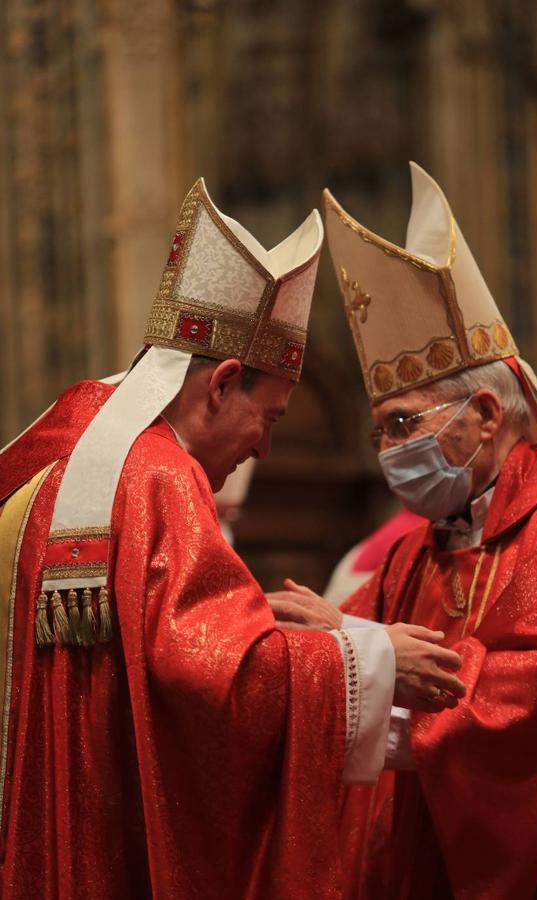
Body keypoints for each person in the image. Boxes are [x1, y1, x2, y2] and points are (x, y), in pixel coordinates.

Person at [0, 177, 466, 899]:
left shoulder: (57, 442)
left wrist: (270, 634)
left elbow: (147, 661)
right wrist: (369, 656)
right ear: (220, 385)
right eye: (271, 418)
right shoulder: (157, 476)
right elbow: (213, 682)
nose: (265, 451)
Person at [269, 163, 537, 899]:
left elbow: (519, 715)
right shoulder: (418, 552)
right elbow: (330, 651)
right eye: (379, 431)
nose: (389, 452)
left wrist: (354, 650)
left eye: (403, 424)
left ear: (485, 414)